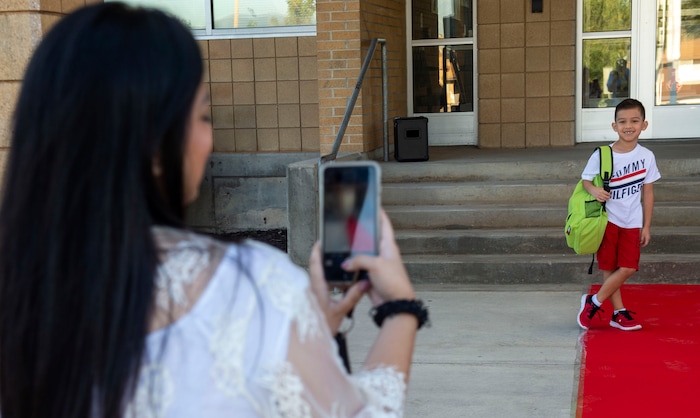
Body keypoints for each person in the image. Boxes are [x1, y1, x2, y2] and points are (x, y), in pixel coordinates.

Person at [0, 3, 425, 417]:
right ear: (152, 147)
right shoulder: (252, 288)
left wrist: (305, 332)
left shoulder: (22, 295)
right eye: (204, 117)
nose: (211, 140)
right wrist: (400, 308)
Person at [577, 99, 661, 331]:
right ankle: (618, 313)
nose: (628, 126)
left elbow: (649, 192)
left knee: (629, 267)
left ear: (643, 125)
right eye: (622, 121)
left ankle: (593, 301)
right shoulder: (603, 154)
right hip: (609, 220)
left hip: (632, 221)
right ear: (614, 126)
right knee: (609, 268)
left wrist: (646, 226)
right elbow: (585, 181)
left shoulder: (647, 156)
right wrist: (594, 190)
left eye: (634, 121)